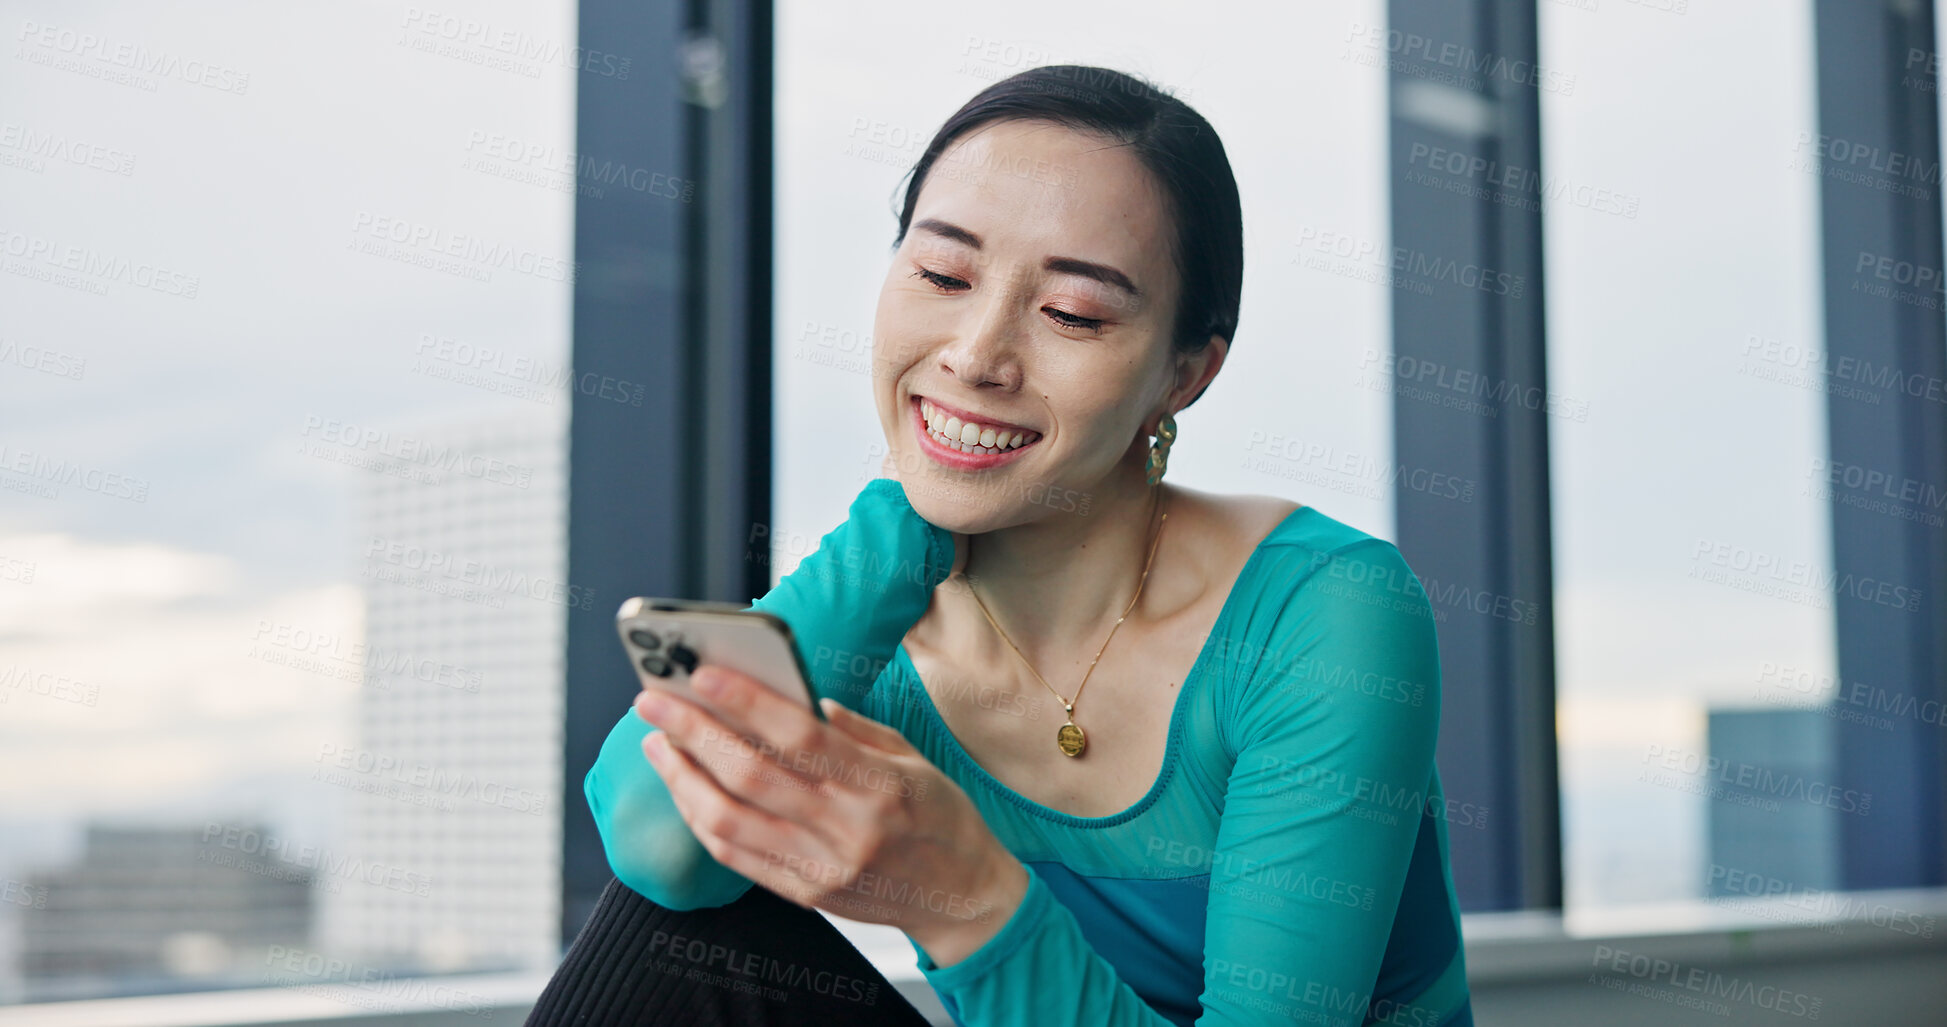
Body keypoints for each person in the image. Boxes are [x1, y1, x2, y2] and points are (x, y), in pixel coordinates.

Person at [526, 64, 1472, 1027]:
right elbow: (656, 848)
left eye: (1073, 313)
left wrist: (967, 891)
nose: (976, 354)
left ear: (1182, 376)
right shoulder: (876, 618)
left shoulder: (1323, 608)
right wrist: (894, 531)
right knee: (669, 938)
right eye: (941, 275)